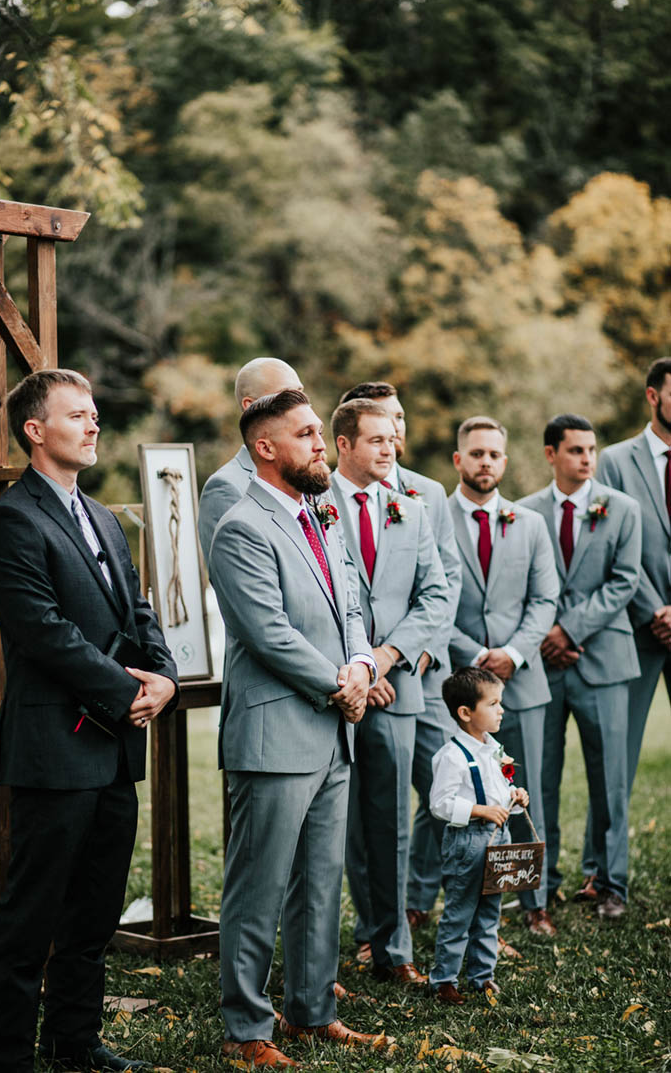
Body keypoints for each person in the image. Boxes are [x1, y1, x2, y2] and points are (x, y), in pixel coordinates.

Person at [0, 369, 179, 1073]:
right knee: (30, 917)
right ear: (36, 429)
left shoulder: (103, 518)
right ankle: (5, 1056)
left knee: (94, 913)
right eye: (78, 414)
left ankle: (75, 1041)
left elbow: (140, 610)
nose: (94, 424)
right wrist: (124, 691)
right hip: (52, 748)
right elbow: (41, 630)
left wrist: (165, 676)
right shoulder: (11, 519)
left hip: (115, 753)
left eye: (95, 413)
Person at [208, 389, 391, 1068]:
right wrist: (340, 685)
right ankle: (247, 1026)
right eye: (308, 433)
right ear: (266, 447)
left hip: (334, 729)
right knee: (258, 886)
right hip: (277, 732)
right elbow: (268, 634)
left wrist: (364, 662)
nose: (322, 443)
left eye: (319, 431)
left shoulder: (321, 512)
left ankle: (315, 1011)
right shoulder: (241, 526)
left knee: (319, 882)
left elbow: (352, 603)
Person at [329, 399, 448, 986]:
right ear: (343, 444)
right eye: (375, 440)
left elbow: (436, 596)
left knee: (391, 822)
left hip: (397, 690)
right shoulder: (311, 505)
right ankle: (327, 949)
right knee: (337, 825)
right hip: (328, 693)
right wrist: (351, 670)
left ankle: (393, 950)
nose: (389, 449)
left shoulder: (410, 509)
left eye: (392, 440)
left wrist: (384, 660)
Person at [519, 414, 641, 921]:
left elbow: (624, 580)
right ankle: (538, 888)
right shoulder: (523, 514)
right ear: (551, 454)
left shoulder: (623, 510)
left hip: (603, 660)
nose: (587, 459)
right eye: (575, 450)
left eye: (591, 449)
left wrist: (569, 630)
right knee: (537, 780)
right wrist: (545, 633)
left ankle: (611, 883)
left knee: (610, 777)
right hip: (541, 667)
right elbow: (519, 583)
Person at [448, 416, 559, 935]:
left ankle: (534, 901)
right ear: (458, 460)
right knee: (458, 794)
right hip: (459, 688)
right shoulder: (432, 519)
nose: (485, 462)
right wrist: (474, 655)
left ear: (505, 462)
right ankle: (442, 896)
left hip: (522, 682)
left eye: (494, 454)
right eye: (476, 454)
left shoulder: (530, 522)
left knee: (526, 788)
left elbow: (544, 599)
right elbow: (432, 598)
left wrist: (514, 651)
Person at [585, 358, 671, 900]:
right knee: (616, 757)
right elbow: (607, 548)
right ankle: (600, 873)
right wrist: (655, 610)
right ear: (653, 396)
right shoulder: (613, 462)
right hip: (637, 632)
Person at [429, 667, 529, 1005]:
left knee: (490, 908)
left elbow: (500, 789)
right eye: (494, 703)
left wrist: (514, 797)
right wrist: (480, 810)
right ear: (465, 712)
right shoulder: (452, 756)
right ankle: (444, 980)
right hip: (467, 842)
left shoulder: (494, 748)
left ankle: (482, 975)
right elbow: (440, 804)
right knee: (460, 911)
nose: (502, 709)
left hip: (498, 839)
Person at [197, 357, 303, 564]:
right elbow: (233, 573)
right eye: (288, 396)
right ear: (252, 406)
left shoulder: (308, 472)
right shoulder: (225, 488)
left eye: (301, 393)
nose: (301, 405)